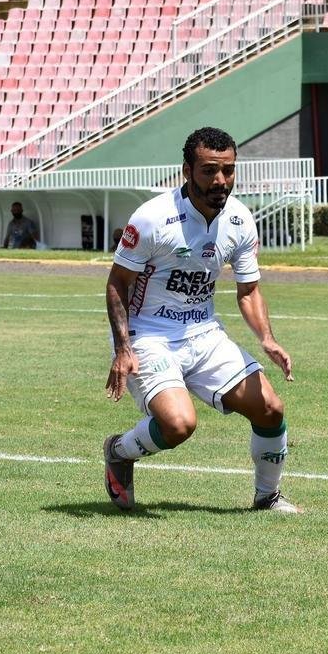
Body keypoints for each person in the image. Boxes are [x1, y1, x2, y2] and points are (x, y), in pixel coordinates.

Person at [102, 126, 300, 514]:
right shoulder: (152, 218)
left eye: (228, 170)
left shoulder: (240, 220)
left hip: (203, 333)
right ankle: (119, 451)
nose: (220, 181)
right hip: (149, 336)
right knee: (178, 425)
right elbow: (116, 285)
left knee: (271, 409)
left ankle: (267, 497)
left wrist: (267, 338)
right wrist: (123, 348)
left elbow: (249, 291)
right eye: (209, 170)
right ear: (187, 170)